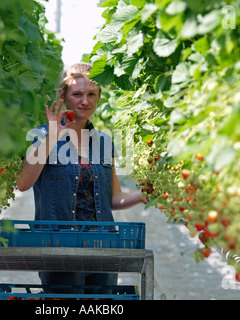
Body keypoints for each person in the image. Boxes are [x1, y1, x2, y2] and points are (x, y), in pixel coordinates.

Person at [16, 62, 148, 294]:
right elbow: (23, 183)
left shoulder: (104, 142)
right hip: (60, 249)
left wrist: (143, 195)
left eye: (91, 94)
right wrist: (53, 136)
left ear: (98, 98)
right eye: (77, 94)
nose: (84, 101)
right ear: (63, 96)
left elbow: (114, 199)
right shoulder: (41, 136)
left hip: (103, 249)